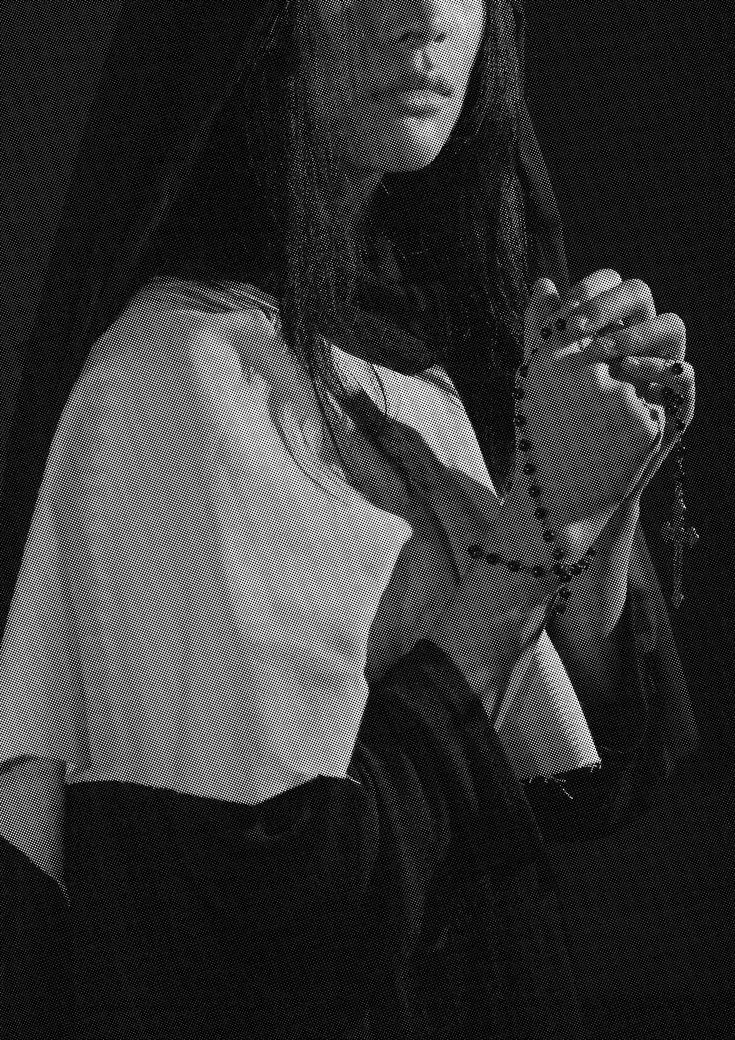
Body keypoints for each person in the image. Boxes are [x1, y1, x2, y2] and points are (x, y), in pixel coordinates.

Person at [0, 1, 701, 1037]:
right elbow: (280, 911)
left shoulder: (407, 349)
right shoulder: (169, 382)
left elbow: (585, 786)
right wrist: (545, 522)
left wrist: (606, 492)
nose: (419, 18)